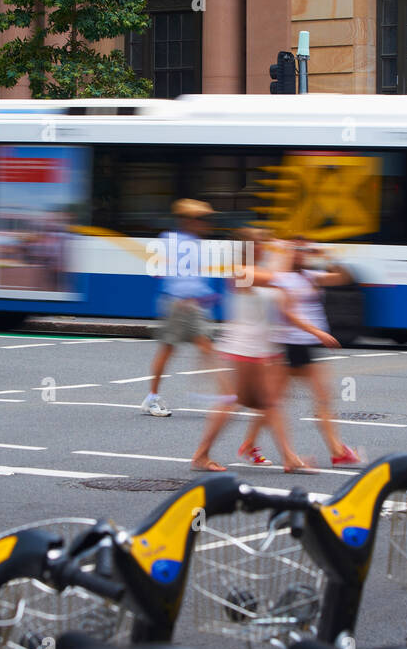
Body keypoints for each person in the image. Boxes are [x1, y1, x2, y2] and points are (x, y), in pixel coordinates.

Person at [191, 231, 334, 474]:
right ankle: (201, 455)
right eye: (259, 244)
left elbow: (285, 298)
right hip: (244, 348)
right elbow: (274, 278)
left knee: (270, 403)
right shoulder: (241, 272)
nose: (264, 248)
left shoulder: (262, 269)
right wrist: (286, 252)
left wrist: (313, 330)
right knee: (234, 402)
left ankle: (289, 458)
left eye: (264, 244)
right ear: (247, 247)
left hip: (263, 348)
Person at [237, 237, 361, 466]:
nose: (301, 254)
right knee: (314, 398)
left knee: (274, 401)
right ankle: (335, 451)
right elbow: (287, 313)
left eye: (304, 250)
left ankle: (249, 444)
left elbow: (343, 277)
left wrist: (324, 255)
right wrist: (318, 332)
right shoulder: (285, 278)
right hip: (291, 344)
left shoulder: (309, 276)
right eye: (297, 250)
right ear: (288, 253)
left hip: (304, 344)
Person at [141, 198, 218, 417]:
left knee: (205, 346)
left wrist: (204, 295)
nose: (206, 223)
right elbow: (160, 270)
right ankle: (152, 397)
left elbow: (193, 275)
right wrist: (182, 294)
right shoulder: (171, 240)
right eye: (202, 218)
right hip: (177, 303)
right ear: (189, 220)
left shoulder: (195, 242)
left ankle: (221, 395)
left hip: (191, 304)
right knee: (168, 349)